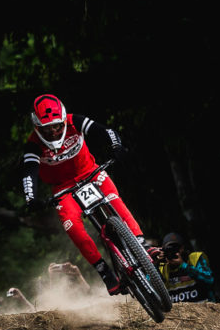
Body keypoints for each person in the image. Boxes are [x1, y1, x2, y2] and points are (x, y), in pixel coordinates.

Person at [20, 94, 147, 296]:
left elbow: (105, 131)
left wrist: (116, 146)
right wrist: (30, 198)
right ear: (37, 127)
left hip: (91, 172)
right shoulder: (33, 144)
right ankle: (105, 272)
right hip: (63, 188)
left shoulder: (75, 121)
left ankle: (141, 244)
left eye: (57, 126)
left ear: (63, 120)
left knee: (114, 200)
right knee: (72, 226)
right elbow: (29, 172)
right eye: (47, 129)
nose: (53, 132)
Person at [157, 233, 217, 303]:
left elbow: (210, 280)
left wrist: (183, 265)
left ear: (182, 248)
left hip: (203, 307)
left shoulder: (195, 258)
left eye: (176, 248)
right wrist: (155, 263)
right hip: (178, 309)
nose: (172, 251)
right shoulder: (161, 267)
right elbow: (150, 291)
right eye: (168, 249)